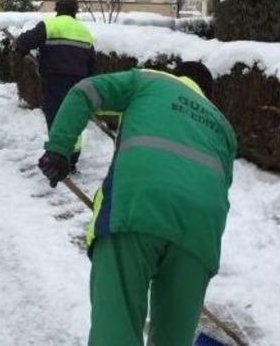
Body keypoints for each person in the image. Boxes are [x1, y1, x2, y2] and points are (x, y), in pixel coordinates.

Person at [37, 63, 237, 346]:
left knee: (116, 331)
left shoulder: (149, 80)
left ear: (177, 75)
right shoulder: (222, 125)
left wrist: (59, 148)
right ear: (206, 94)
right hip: (201, 231)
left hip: (136, 208)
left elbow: (84, 92)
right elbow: (219, 185)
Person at [15, 0, 95, 167]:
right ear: (75, 12)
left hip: (53, 82)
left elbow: (23, 42)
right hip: (78, 85)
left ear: (57, 9)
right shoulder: (84, 31)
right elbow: (92, 64)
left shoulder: (50, 25)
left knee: (56, 118)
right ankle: (72, 157)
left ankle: (58, 156)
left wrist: (19, 53)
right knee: (74, 118)